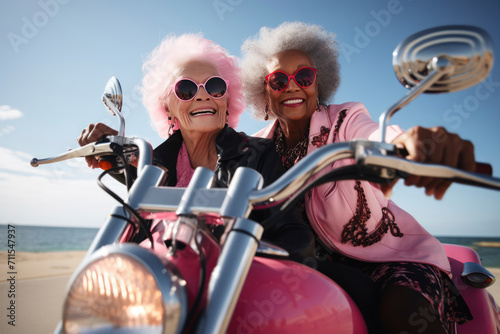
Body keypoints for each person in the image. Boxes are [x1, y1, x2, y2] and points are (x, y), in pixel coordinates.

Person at [241, 21, 474, 333]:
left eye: (304, 76)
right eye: (278, 80)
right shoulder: (255, 148)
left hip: (392, 259)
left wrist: (407, 145)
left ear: (317, 83)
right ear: (264, 93)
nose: (293, 86)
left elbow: (376, 136)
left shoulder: (344, 119)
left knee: (402, 313)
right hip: (315, 267)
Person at [77, 33, 313, 261]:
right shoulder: (156, 163)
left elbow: (296, 239)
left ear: (227, 99)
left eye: (215, 86)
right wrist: (107, 142)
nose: (202, 96)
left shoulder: (259, 154)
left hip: (224, 290)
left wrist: (238, 259)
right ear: (166, 106)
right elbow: (130, 173)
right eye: (186, 89)